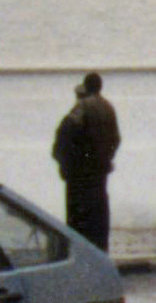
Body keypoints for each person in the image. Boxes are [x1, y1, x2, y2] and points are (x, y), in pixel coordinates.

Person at [52, 71, 121, 249]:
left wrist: (64, 161)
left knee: (79, 218)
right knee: (99, 216)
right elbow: (116, 139)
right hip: (100, 172)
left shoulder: (82, 107)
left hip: (81, 174)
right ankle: (100, 252)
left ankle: (81, 253)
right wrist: (106, 157)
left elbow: (65, 133)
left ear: (86, 86)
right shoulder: (108, 107)